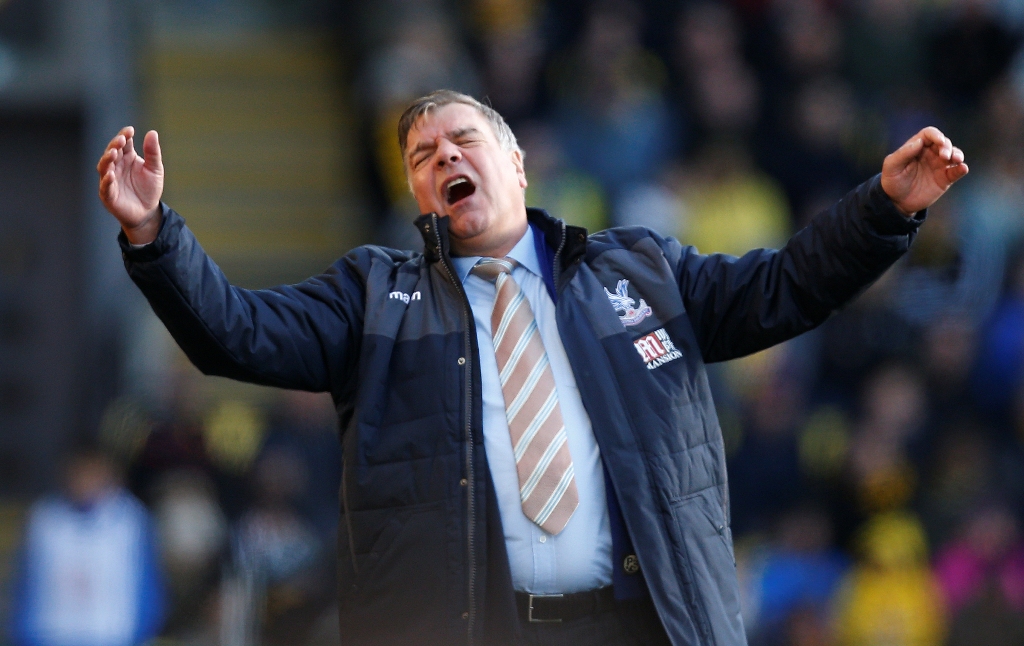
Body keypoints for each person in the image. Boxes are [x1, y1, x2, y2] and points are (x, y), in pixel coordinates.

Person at [96, 89, 967, 645]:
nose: (443, 158)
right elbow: (234, 334)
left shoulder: (642, 272)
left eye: (461, 139)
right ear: (419, 197)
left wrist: (884, 207)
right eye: (422, 157)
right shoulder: (374, 298)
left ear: (514, 162)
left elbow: (785, 288)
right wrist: (152, 234)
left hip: (645, 621)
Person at [8, 447, 165, 646]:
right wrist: (25, 634)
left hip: (111, 636)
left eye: (92, 473)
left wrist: (138, 634)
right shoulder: (44, 519)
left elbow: (148, 585)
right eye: (79, 474)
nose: (85, 481)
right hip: (51, 636)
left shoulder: (131, 520)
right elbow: (26, 586)